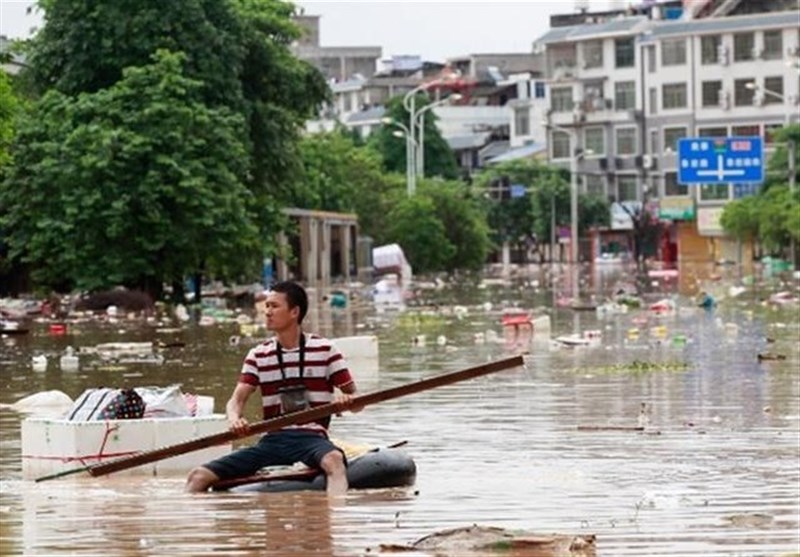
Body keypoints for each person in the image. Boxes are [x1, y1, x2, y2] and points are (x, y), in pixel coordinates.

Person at [185, 281, 360, 495]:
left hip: (312, 438)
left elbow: (355, 398)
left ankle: (332, 521)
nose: (267, 312)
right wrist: (235, 420)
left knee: (334, 462)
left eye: (274, 306)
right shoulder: (258, 354)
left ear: (295, 311)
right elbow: (236, 401)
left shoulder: (326, 350)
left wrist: (346, 400)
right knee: (198, 476)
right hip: (272, 440)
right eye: (266, 306)